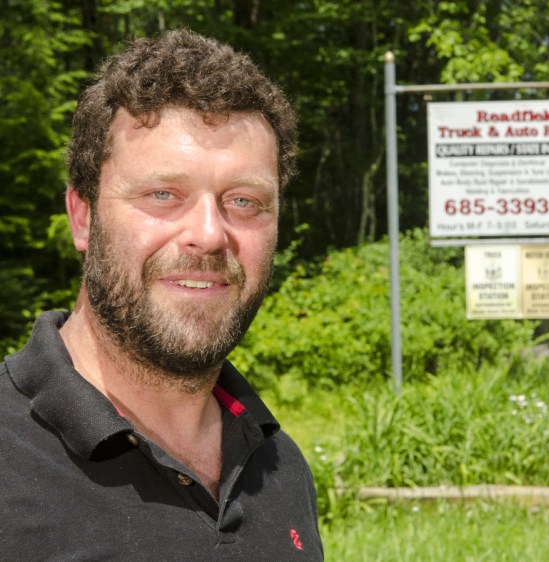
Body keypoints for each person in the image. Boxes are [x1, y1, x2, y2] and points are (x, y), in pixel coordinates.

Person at [0, 29, 323, 560]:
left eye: (243, 201)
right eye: (163, 194)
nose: (210, 234)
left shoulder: (278, 467)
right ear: (82, 217)